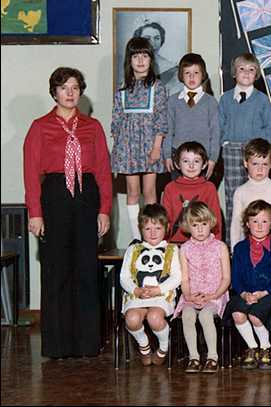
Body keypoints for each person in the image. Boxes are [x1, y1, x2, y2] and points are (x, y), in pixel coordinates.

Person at [23, 66, 112, 358]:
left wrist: (104, 209)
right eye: (64, 88)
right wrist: (35, 212)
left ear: (80, 92)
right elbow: (29, 173)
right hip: (55, 196)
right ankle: (58, 345)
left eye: (75, 88)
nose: (70, 93)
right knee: (57, 271)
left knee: (86, 270)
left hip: (87, 196)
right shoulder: (39, 126)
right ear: (54, 92)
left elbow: (102, 171)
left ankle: (87, 343)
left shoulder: (93, 126)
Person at [111, 36, 169, 240]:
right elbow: (116, 120)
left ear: (151, 59)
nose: (141, 60)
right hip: (128, 148)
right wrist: (119, 149)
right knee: (133, 192)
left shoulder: (158, 87)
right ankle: (138, 238)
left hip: (149, 146)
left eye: (145, 56)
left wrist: (156, 148)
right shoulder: (122, 87)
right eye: (136, 56)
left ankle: (154, 236)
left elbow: (161, 120)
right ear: (130, 60)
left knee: (149, 192)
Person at [224, 200, 271, 370]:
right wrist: (244, 294)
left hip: (269, 295)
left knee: (254, 314)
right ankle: (253, 347)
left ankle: (266, 348)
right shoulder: (239, 248)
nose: (259, 226)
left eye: (264, 221)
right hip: (245, 293)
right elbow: (235, 277)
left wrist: (262, 293)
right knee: (238, 312)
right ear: (247, 223)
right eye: (255, 221)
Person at [219, 53, 271, 241]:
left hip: (256, 152)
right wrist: (224, 142)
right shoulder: (226, 99)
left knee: (257, 195)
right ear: (234, 73)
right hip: (232, 150)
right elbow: (220, 124)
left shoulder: (262, 100)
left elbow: (269, 127)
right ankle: (233, 244)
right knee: (233, 198)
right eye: (242, 68)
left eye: (251, 70)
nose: (246, 73)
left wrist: (263, 150)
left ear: (256, 75)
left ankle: (260, 240)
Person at [172, 202, 230, 374]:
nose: (199, 229)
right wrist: (188, 296)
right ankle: (194, 357)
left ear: (210, 223)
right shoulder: (185, 249)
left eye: (203, 224)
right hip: (193, 295)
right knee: (188, 315)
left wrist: (214, 295)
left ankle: (212, 357)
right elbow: (185, 278)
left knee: (205, 315)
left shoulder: (220, 247)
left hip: (216, 295)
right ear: (187, 227)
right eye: (195, 225)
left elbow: (226, 278)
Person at [120, 204, 181, 366]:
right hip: (138, 295)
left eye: (158, 228)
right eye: (148, 229)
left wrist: (158, 290)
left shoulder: (172, 250)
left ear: (166, 228)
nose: (153, 233)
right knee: (132, 319)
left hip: (162, 295)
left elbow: (177, 277)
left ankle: (163, 346)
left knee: (154, 317)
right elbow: (124, 277)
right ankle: (144, 345)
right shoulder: (133, 249)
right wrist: (136, 290)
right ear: (141, 229)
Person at [163, 53, 220, 182]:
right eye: (187, 73)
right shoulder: (173, 101)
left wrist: (213, 159)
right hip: (178, 155)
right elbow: (168, 130)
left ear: (203, 75)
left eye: (196, 72)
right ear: (181, 76)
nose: (192, 77)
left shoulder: (210, 102)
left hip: (202, 157)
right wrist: (167, 156)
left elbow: (215, 132)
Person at [229, 139, 271, 257]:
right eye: (255, 164)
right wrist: (234, 249)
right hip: (248, 250)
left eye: (265, 164)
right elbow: (236, 224)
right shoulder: (240, 192)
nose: (260, 169)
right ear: (246, 163)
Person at [161, 141, 222, 244]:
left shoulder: (209, 188)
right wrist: (165, 244)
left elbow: (216, 220)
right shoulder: (170, 188)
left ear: (204, 164)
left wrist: (216, 244)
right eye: (186, 161)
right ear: (177, 164)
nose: (191, 166)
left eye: (196, 161)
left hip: (203, 245)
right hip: (176, 244)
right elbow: (165, 220)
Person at [133, 20, 180, 96]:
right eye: (147, 39)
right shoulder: (134, 66)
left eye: (157, 38)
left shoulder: (171, 67)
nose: (153, 43)